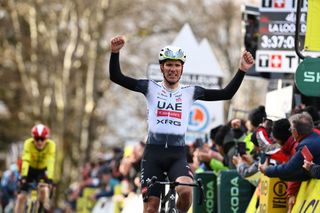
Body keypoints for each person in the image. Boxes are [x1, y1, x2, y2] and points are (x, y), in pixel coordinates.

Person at [109, 35, 254, 213]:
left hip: (177, 155)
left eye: (177, 65)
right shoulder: (150, 88)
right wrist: (115, 53)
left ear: (182, 69)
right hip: (153, 156)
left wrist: (242, 70)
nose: (173, 69)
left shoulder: (190, 92)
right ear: (162, 67)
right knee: (150, 209)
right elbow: (116, 76)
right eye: (169, 65)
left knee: (186, 192)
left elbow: (226, 93)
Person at [259, 112, 320, 181]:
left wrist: (267, 170)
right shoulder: (313, 138)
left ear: (295, 132)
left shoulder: (306, 146)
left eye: (290, 129)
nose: (290, 132)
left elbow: (288, 169)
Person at [14, 124, 56, 212]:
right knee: (21, 197)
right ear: (33, 138)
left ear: (46, 139)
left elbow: (50, 161)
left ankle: (41, 207)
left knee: (44, 190)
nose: (39, 142)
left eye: (42, 139)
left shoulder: (51, 145)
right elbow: (26, 160)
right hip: (30, 170)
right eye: (37, 139)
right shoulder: (28, 143)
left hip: (42, 171)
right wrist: (24, 176)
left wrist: (50, 178)